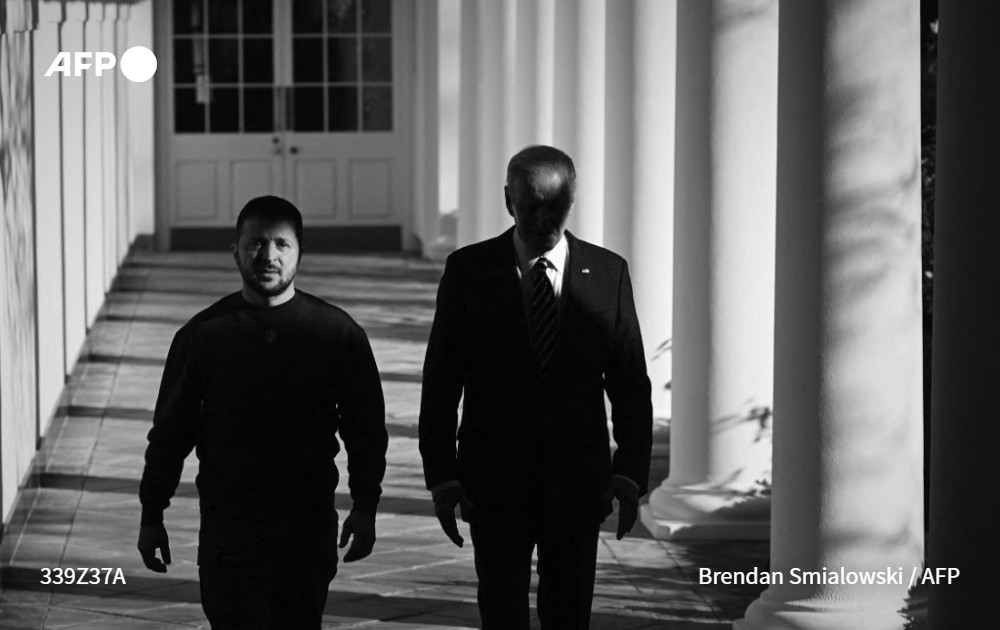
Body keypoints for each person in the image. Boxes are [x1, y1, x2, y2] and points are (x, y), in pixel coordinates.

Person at [419, 145, 653, 629]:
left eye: (555, 206)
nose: (543, 219)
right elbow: (442, 380)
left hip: (578, 481)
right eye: (530, 207)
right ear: (509, 200)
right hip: (494, 480)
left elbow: (629, 380)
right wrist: (442, 478)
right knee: (501, 610)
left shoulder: (607, 272)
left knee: (569, 612)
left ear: (572, 200)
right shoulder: (469, 271)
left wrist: (630, 473)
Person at [137, 195, 388, 630]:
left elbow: (365, 429)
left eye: (281, 244)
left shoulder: (337, 333)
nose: (268, 255)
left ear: (300, 253)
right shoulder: (203, 335)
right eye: (255, 243)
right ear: (235, 251)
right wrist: (151, 513)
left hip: (307, 523)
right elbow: (171, 433)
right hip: (231, 524)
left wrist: (365, 506)